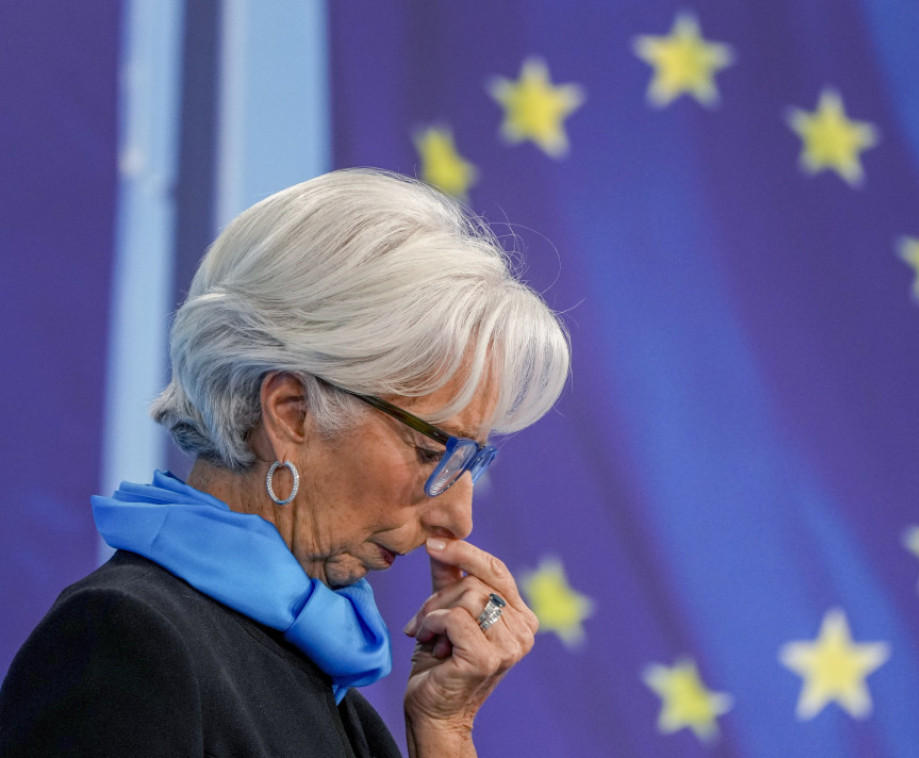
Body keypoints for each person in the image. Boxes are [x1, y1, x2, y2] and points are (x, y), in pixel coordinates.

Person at [0, 168, 570, 757]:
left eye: (471, 461)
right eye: (432, 451)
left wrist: (445, 730)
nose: (457, 517)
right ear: (291, 413)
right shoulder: (124, 643)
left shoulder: (330, 692)